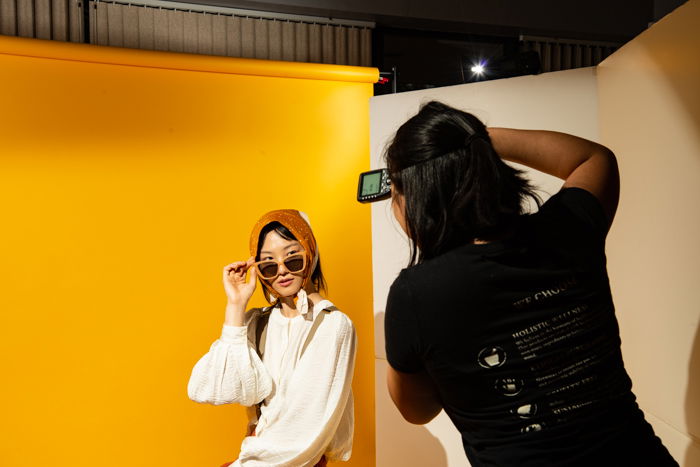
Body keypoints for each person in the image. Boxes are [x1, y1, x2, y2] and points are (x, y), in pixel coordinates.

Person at [382, 101, 678, 466]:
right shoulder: (568, 228)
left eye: (397, 191)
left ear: (420, 197)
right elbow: (593, 158)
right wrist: (472, 140)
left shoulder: (416, 294)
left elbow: (416, 410)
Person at [188, 209, 357, 467]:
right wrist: (235, 305)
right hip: (253, 458)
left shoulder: (333, 326)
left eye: (292, 259)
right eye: (268, 264)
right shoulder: (258, 322)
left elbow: (303, 429)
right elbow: (211, 388)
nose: (282, 272)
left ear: (310, 254)